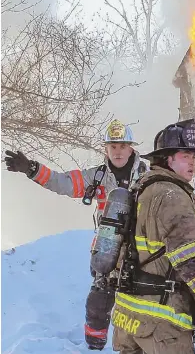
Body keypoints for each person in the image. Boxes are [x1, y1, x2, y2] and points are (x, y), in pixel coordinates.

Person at [4, 119, 147, 350]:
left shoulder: (148, 174)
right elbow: (63, 183)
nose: (118, 152)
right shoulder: (97, 177)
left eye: (122, 146)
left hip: (142, 249)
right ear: (106, 149)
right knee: (98, 303)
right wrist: (32, 169)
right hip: (108, 250)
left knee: (142, 302)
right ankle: (93, 346)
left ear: (131, 148)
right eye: (113, 147)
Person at [111, 119, 195, 354]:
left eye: (194, 156)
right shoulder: (173, 195)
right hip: (161, 321)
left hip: (128, 314)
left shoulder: (143, 186)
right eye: (185, 156)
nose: (192, 162)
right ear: (167, 158)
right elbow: (187, 256)